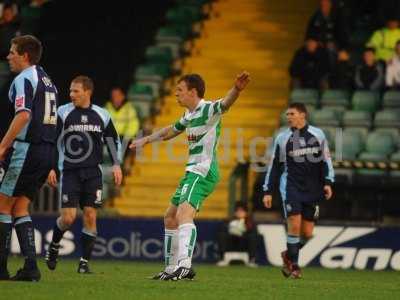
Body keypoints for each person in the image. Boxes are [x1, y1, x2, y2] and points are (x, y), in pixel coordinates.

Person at [129, 72, 250, 281]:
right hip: (191, 171)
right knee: (169, 216)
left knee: (183, 215)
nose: (176, 94)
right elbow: (171, 131)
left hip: (203, 170)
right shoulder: (189, 115)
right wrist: (147, 139)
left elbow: (226, 103)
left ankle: (185, 265)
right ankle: (170, 268)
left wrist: (237, 89)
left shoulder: (208, 109)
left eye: (180, 91)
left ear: (193, 92)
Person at [45, 76, 123, 274]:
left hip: (93, 173)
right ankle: (54, 246)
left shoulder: (102, 114)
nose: (71, 95)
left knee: (90, 215)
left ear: (87, 92)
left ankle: (84, 263)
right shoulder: (63, 112)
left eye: (76, 91)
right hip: (70, 171)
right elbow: (53, 142)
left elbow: (112, 140)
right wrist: (51, 167)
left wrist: (116, 164)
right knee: (68, 218)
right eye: (70, 91)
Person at [0, 35, 58, 281]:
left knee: (2, 204)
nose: (8, 56)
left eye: (12, 52)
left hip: (26, 149)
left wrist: (2, 146)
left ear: (25, 56)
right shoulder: (47, 79)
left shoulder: (24, 78)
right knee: (21, 206)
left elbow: (23, 115)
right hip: (46, 151)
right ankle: (31, 268)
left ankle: (1, 268)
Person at [263, 102, 334, 279]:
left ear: (303, 115)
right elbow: (275, 167)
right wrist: (268, 190)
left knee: (308, 233)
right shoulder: (282, 138)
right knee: (294, 224)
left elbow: (326, 160)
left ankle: (288, 254)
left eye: (292, 114)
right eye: (287, 115)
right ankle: (295, 266)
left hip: (313, 189)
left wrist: (327, 182)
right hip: (291, 187)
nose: (288, 117)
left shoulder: (318, 134)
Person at [104, 86, 139, 174]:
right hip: (110, 137)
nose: (115, 98)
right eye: (113, 96)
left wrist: (127, 137)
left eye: (117, 96)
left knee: (132, 143)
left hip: (124, 137)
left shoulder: (129, 109)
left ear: (122, 96)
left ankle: (124, 168)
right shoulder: (106, 109)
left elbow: (134, 125)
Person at [216, 202, 258, 267]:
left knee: (252, 237)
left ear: (246, 212)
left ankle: (251, 260)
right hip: (231, 243)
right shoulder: (229, 221)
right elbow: (223, 230)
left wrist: (244, 230)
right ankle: (222, 259)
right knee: (222, 235)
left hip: (244, 244)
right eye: (238, 211)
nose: (239, 213)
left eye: (242, 211)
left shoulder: (250, 222)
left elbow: (254, 233)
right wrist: (232, 230)